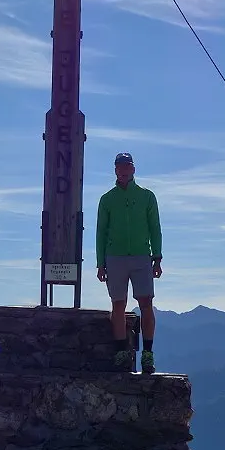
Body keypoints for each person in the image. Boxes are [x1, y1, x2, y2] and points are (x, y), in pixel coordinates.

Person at [95, 151, 163, 374]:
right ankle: (121, 353)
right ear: (115, 170)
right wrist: (100, 263)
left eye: (127, 166)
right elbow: (101, 232)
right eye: (120, 166)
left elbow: (155, 228)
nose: (123, 170)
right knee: (118, 305)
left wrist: (157, 257)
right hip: (114, 257)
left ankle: (148, 354)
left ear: (133, 169)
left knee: (146, 303)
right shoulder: (107, 199)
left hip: (142, 256)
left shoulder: (147, 196)